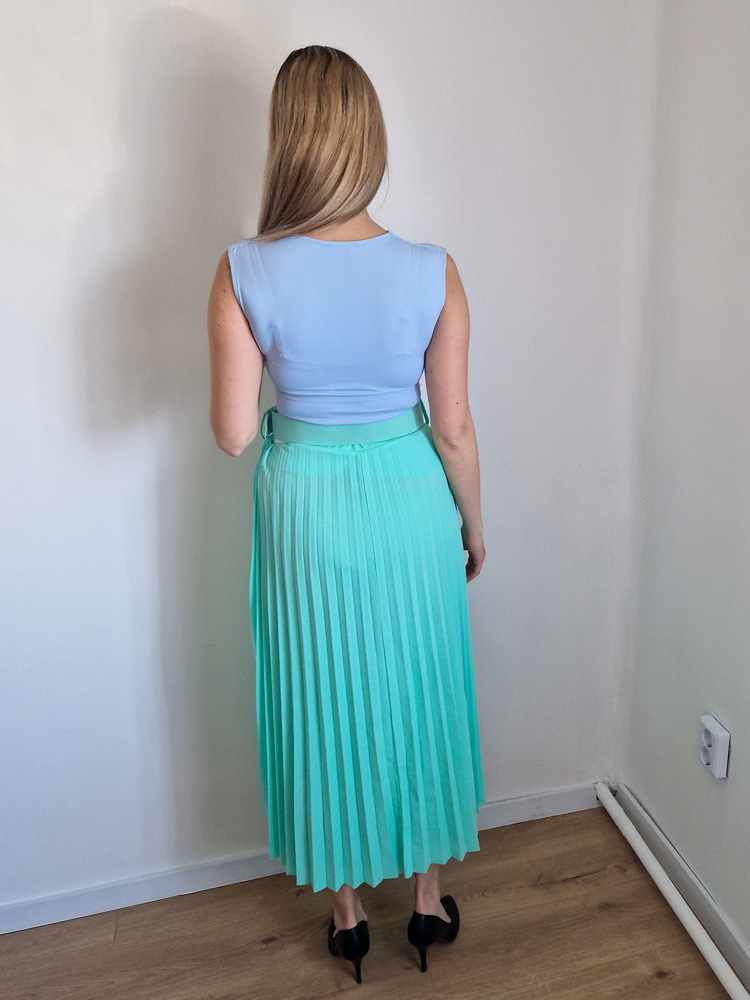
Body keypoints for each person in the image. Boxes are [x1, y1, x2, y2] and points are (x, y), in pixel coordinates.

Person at [206, 45, 486, 983]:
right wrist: (471, 527)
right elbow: (454, 429)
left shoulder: (243, 269)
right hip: (411, 495)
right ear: (369, 138)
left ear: (287, 139)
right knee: (419, 684)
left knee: (319, 691)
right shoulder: (432, 269)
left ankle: (347, 916)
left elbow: (233, 435)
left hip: (306, 506)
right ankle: (428, 902)